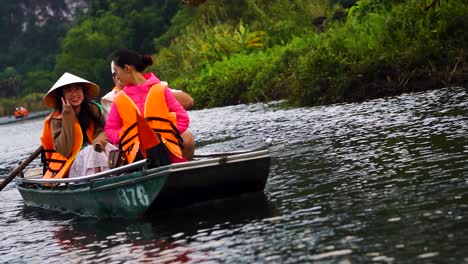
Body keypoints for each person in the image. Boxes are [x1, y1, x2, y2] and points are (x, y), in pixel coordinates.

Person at [105, 48, 191, 164]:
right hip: (137, 155)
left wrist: (169, 134)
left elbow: (182, 117)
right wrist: (126, 137)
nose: (116, 77)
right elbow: (110, 129)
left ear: (127, 69)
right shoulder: (119, 99)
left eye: (116, 71)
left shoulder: (160, 90)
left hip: (166, 150)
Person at [41, 72, 116, 179]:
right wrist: (67, 117)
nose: (74, 93)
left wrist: (99, 141)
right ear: (61, 96)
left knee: (105, 149)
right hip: (69, 164)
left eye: (77, 89)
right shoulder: (56, 120)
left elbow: (102, 130)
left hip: (96, 154)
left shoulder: (93, 109)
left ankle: (109, 177)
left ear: (83, 91)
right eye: (68, 90)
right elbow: (65, 150)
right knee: (91, 151)